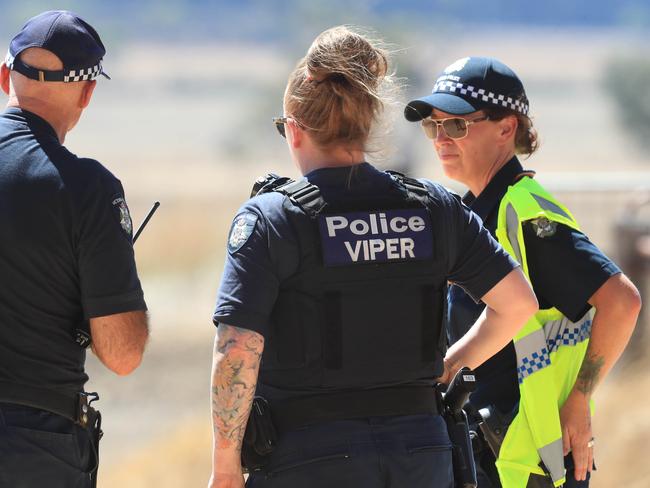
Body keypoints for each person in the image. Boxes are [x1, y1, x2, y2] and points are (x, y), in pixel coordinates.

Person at [209, 27, 539, 488]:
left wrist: (225, 467)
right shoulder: (435, 209)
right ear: (367, 125)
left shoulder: (273, 219)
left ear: (296, 128)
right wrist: (448, 366)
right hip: (422, 453)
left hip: (309, 458)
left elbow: (238, 346)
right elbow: (519, 304)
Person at [404, 56, 642, 488]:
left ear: (506, 128)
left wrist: (579, 399)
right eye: (432, 126)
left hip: (531, 463)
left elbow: (622, 301)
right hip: (498, 453)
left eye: (456, 125)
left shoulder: (525, 213)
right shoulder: (477, 211)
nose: (441, 138)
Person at [0, 11, 149, 488]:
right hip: (34, 445)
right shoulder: (88, 189)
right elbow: (122, 354)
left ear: (4, 77)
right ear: (88, 93)